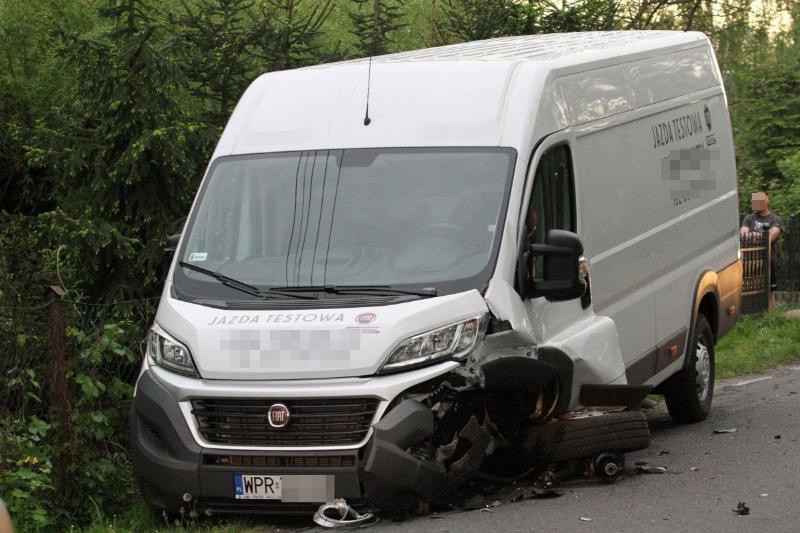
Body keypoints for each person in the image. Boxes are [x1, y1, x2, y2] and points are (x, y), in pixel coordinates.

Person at [740, 191, 782, 310]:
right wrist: (762, 236)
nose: (753, 204)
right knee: (749, 287)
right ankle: (752, 314)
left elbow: (772, 236)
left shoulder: (775, 219)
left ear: (764, 202)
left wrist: (752, 235)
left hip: (768, 259)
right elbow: (743, 235)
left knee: (770, 289)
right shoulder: (749, 218)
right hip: (750, 259)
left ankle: (771, 316)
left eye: (756, 201)